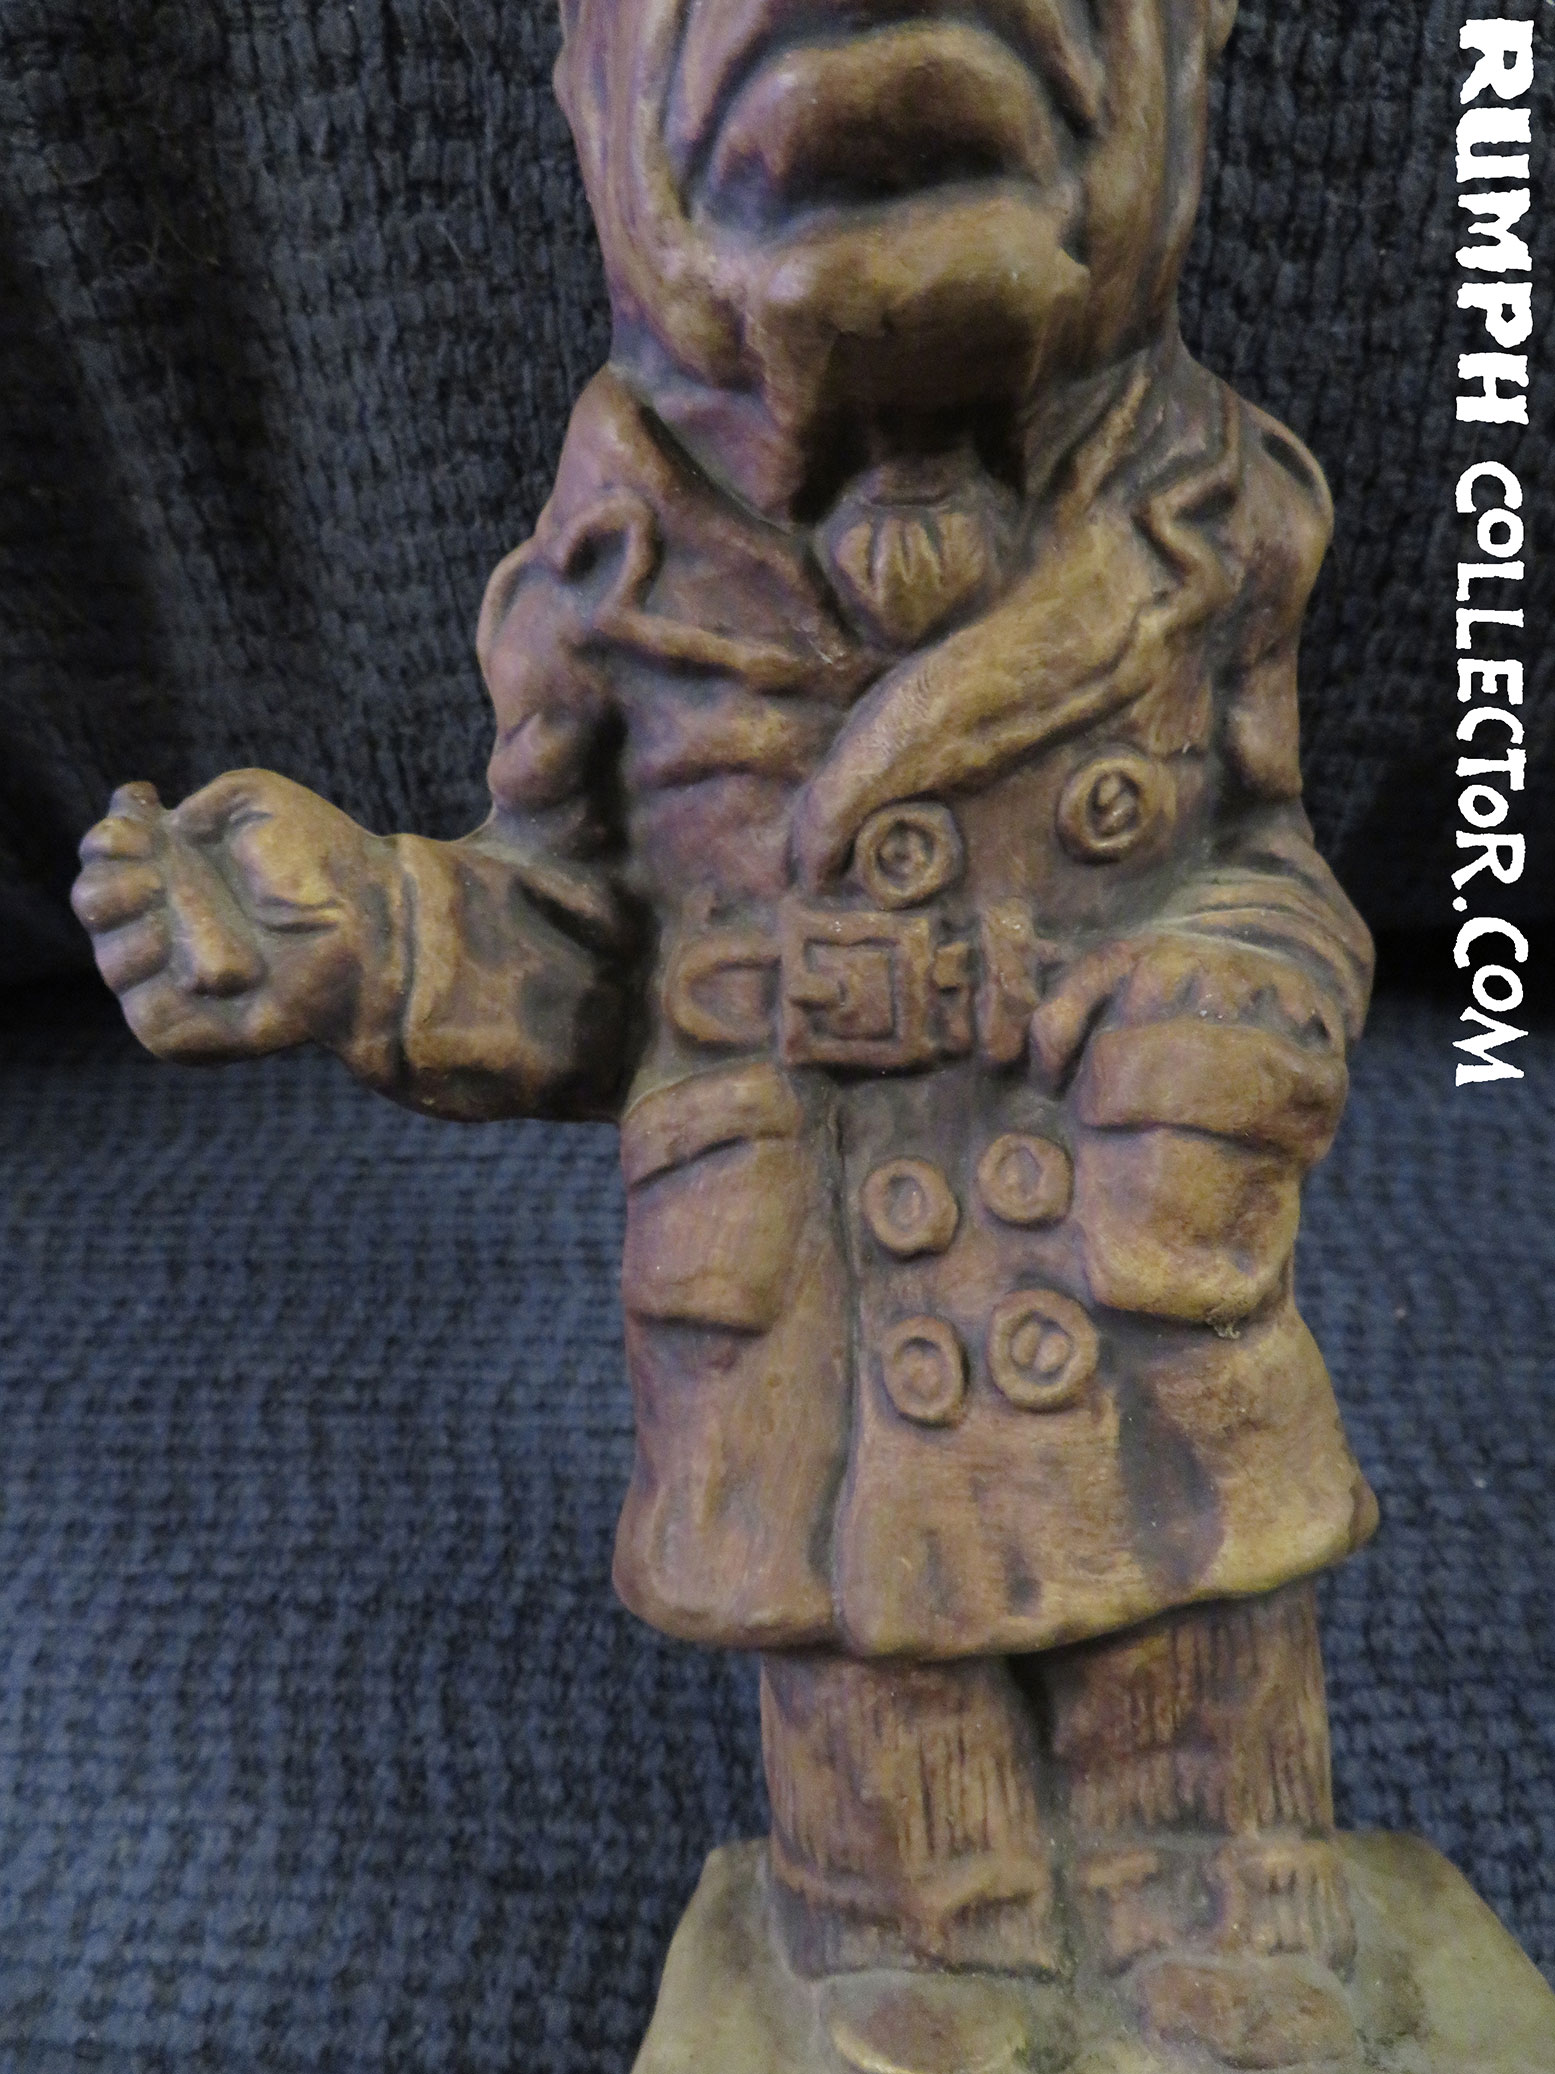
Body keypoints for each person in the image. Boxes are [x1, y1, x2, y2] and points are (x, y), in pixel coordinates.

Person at [72, 1, 1378, 2062]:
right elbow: (576, 939)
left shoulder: (1214, 521)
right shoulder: (614, 568)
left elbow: (1275, 850)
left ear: (1194, 59)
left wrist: (1244, 999)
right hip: (818, 1310)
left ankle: (1214, 1887)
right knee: (879, 1705)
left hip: (1127, 1238)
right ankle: (915, 1927)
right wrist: (382, 933)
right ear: (583, 92)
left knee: (1195, 1637)